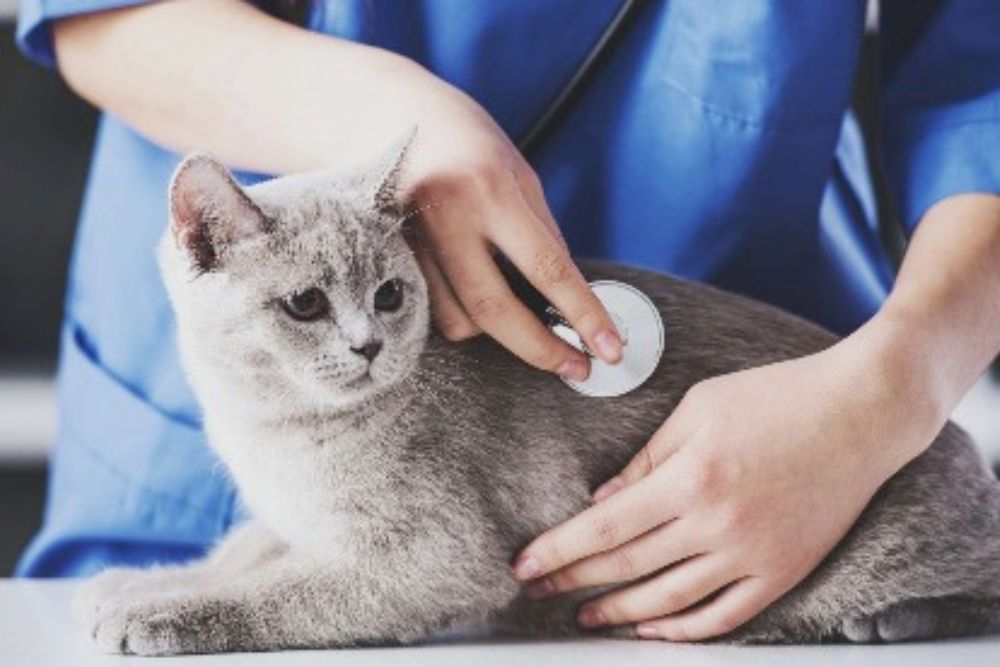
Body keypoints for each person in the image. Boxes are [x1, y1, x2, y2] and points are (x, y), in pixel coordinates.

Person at [15, 0, 1000, 641]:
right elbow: (100, 14)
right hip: (239, 355)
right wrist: (388, 114)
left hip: (775, 422)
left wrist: (895, 383)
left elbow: (982, 91)